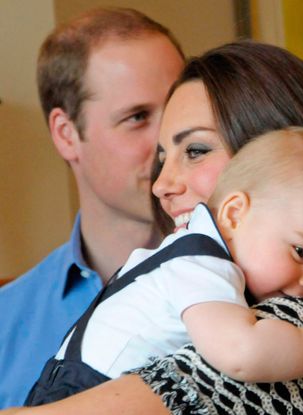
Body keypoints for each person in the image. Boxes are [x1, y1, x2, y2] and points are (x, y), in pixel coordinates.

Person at [2, 40, 303, 415]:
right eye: (165, 157)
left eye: (196, 150)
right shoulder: (205, 279)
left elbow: (236, 354)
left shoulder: (297, 339)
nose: (162, 185)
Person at [25, 128, 303, 406]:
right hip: (84, 390)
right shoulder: (201, 263)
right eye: (301, 252)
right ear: (235, 213)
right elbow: (240, 352)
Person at [0, 7, 184, 408]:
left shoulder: (258, 285)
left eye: (176, 111)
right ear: (66, 135)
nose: (168, 141)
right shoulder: (5, 323)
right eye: (137, 117)